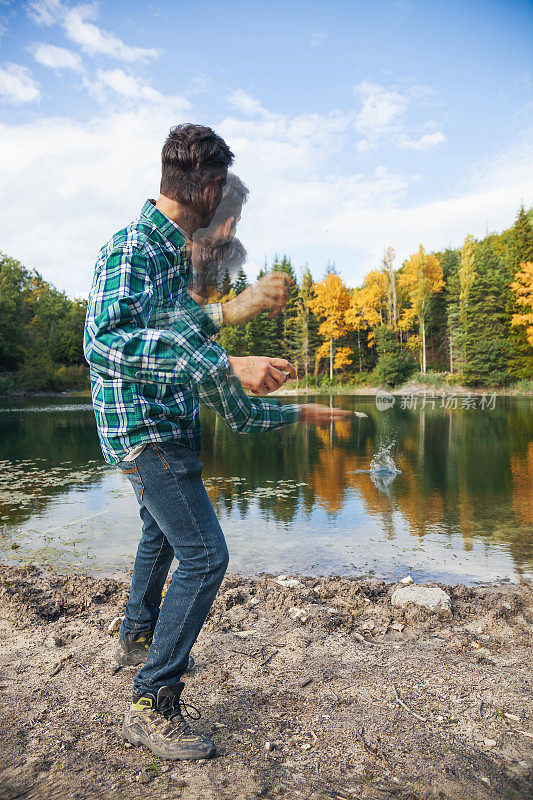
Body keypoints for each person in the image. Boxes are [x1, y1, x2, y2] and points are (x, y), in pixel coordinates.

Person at [83, 123, 351, 762]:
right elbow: (101, 344)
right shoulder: (130, 249)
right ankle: (153, 701)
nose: (225, 205)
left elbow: (198, 355)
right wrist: (229, 365)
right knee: (205, 557)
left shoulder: (175, 261)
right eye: (224, 190)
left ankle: (136, 643)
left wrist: (295, 414)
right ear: (206, 187)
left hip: (170, 430)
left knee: (159, 536)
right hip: (144, 434)